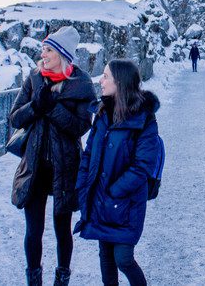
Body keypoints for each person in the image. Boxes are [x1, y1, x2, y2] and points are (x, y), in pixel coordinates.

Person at [10, 26, 96, 286]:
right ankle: (34, 280)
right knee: (33, 230)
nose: (42, 54)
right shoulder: (34, 78)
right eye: (43, 49)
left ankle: (62, 279)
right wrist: (36, 105)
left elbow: (82, 126)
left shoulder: (81, 83)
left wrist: (52, 109)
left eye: (48, 50)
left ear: (62, 54)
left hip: (65, 165)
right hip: (34, 164)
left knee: (62, 229)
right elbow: (14, 117)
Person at [75, 59, 160, 286]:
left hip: (126, 202)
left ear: (119, 82)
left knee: (123, 258)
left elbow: (143, 165)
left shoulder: (144, 118)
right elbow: (89, 153)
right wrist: (83, 184)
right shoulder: (103, 112)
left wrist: (114, 190)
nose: (100, 81)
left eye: (105, 76)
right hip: (100, 198)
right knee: (105, 256)